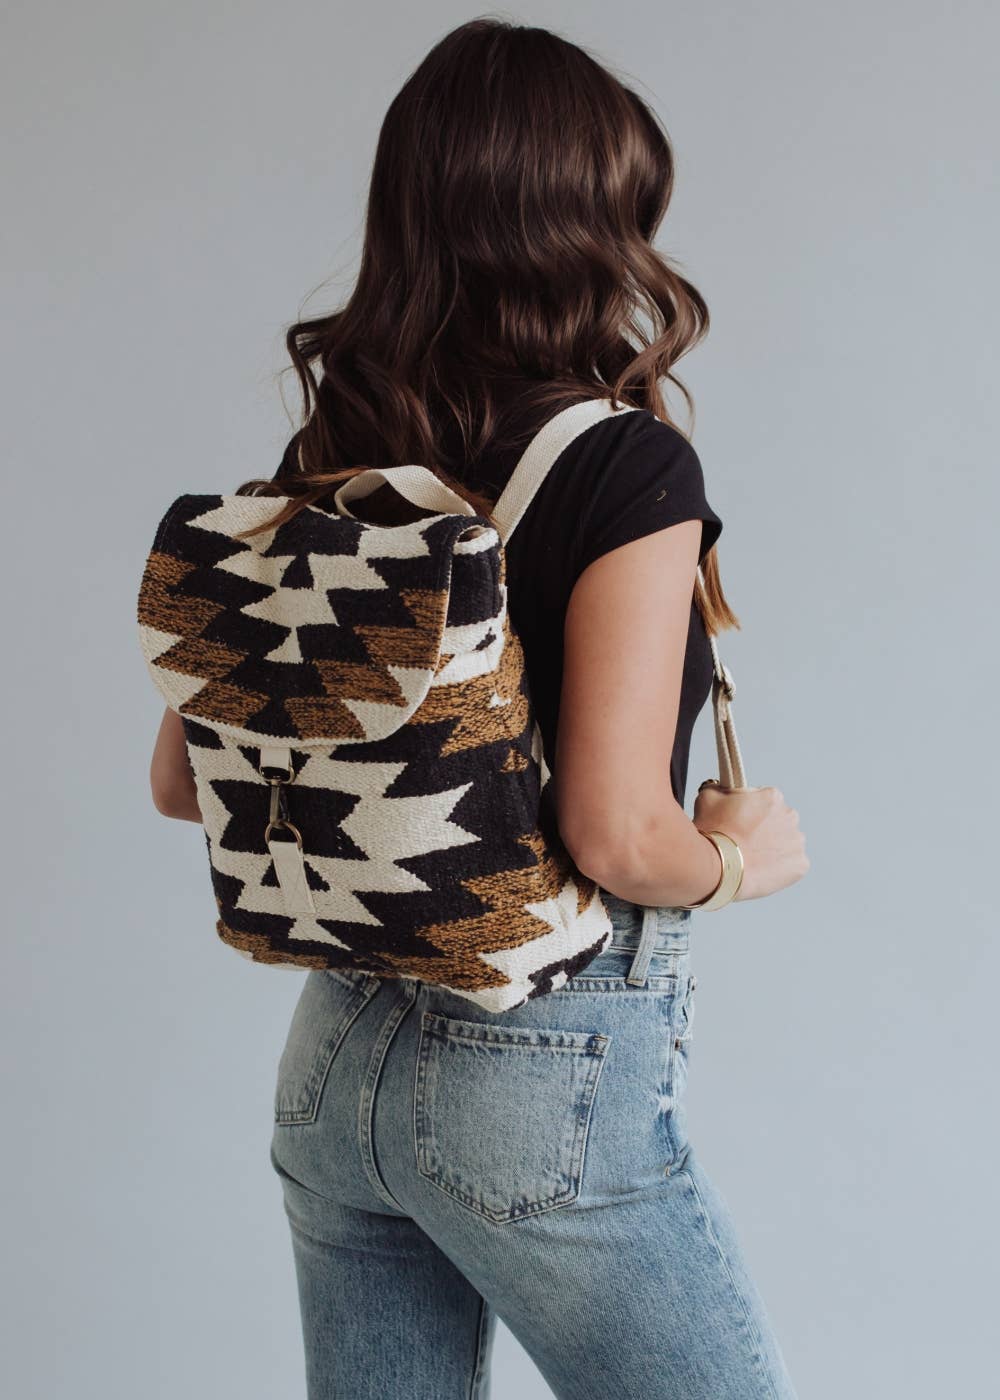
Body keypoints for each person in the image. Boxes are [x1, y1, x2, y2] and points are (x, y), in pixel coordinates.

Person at [149, 18, 808, 1399]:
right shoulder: (628, 470)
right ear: (591, 223)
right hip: (536, 1078)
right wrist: (744, 860)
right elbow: (620, 834)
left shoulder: (329, 458)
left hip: (336, 1072)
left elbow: (181, 780)